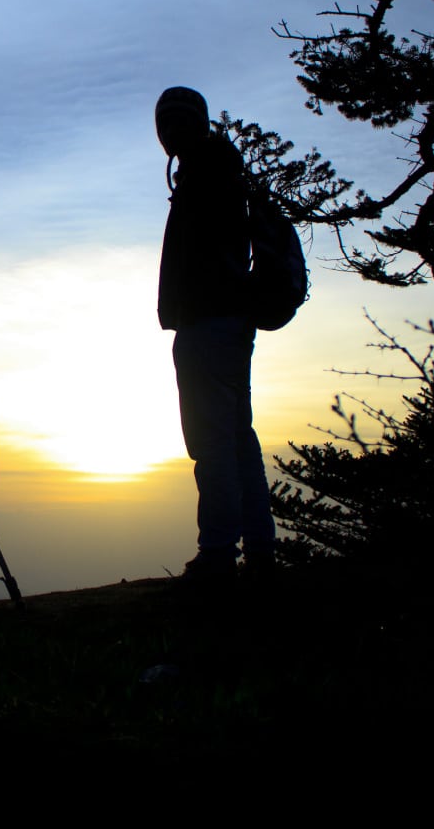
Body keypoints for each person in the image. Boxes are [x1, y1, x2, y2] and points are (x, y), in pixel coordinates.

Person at [155, 86, 274, 580]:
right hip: (228, 324)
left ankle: (220, 551)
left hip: (207, 324)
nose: (166, 133)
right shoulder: (220, 171)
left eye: (170, 123)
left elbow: (198, 260)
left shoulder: (203, 176)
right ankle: (258, 545)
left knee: (211, 440)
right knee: (236, 435)